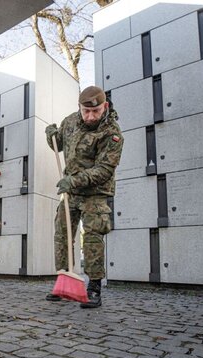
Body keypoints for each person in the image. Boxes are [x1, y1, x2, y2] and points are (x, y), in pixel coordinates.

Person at [45, 86, 124, 308]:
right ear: (79, 108)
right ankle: (63, 281)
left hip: (95, 193)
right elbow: (58, 144)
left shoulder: (112, 133)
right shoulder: (70, 121)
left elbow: (104, 170)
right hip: (70, 192)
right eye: (85, 111)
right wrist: (51, 136)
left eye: (95, 111)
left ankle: (94, 288)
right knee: (62, 235)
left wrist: (73, 180)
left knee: (92, 238)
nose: (90, 117)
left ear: (105, 107)